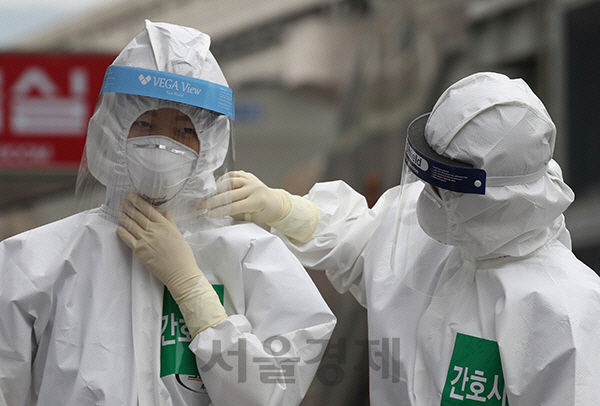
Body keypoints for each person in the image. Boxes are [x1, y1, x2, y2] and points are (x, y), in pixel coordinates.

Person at [203, 72, 600, 405]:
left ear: (497, 197)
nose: (427, 197)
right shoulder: (443, 222)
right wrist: (285, 209)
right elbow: (364, 242)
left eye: (444, 186)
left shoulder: (561, 310)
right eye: (426, 179)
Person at [0, 20, 335, 406]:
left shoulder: (252, 257)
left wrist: (192, 288)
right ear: (112, 129)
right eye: (144, 124)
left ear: (210, 144)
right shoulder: (36, 262)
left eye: (183, 131)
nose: (161, 145)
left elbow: (269, 395)